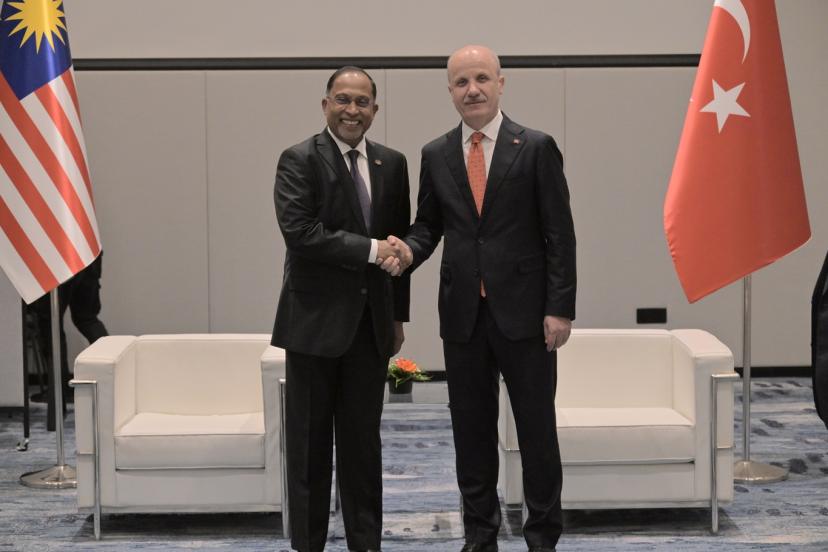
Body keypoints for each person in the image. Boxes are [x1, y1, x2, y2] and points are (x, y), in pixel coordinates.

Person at [387, 45, 576, 552]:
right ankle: (479, 535)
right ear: (450, 91)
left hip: (528, 317)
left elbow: (559, 235)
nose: (472, 90)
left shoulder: (535, 147)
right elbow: (429, 226)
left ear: (500, 83)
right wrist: (408, 250)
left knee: (537, 432)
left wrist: (559, 308)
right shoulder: (436, 153)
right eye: (461, 82)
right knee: (471, 434)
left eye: (481, 79)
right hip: (463, 317)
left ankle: (543, 537)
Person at [271, 66, 411, 552]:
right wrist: (372, 250)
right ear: (326, 104)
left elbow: (400, 249)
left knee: (363, 448)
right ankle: (308, 545)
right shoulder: (299, 159)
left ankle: (365, 544)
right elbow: (301, 233)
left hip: (370, 330)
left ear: (375, 109)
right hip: (312, 329)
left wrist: (397, 317)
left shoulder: (392, 163)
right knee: (309, 449)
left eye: (362, 102)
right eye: (343, 100)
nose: (352, 110)